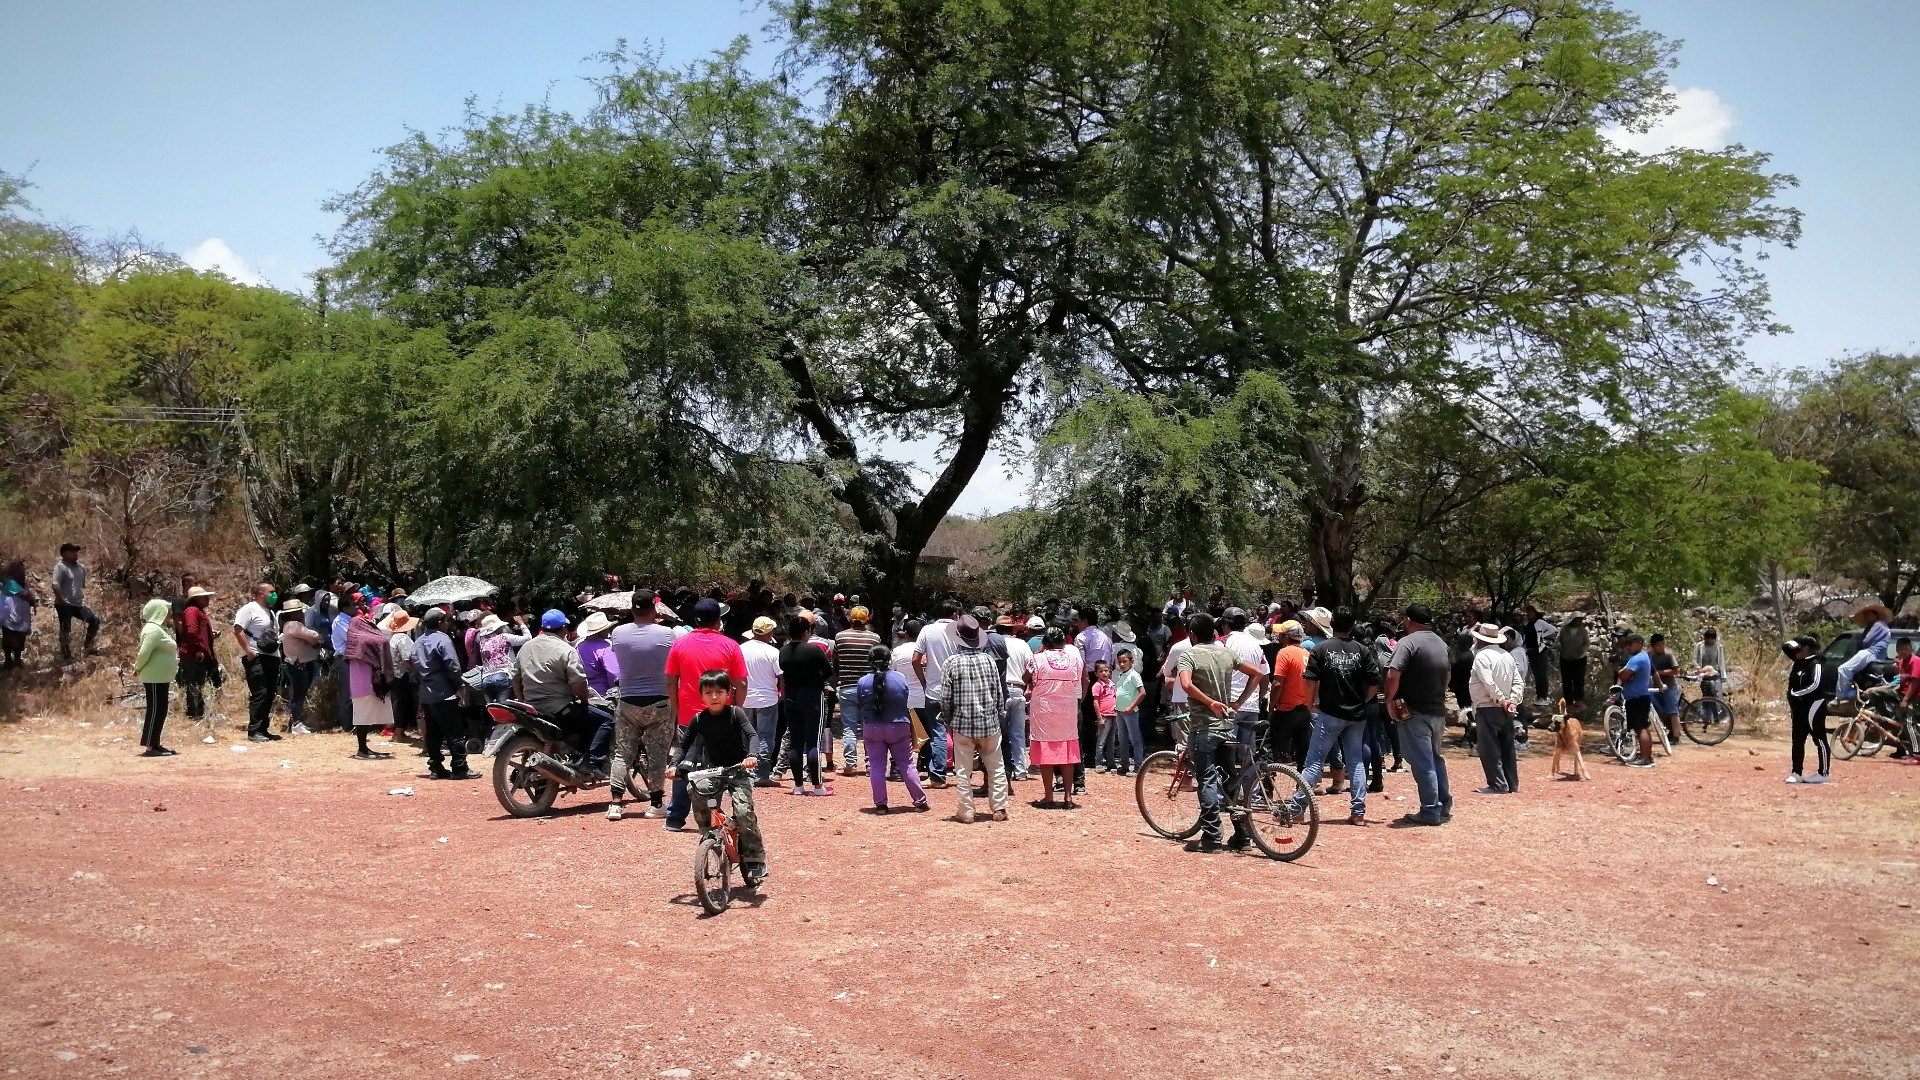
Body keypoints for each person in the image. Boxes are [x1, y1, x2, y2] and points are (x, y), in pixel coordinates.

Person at [666, 670, 767, 882]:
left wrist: (752, 756)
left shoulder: (736, 713)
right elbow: (683, 745)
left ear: (728, 693)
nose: (714, 697)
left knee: (743, 810)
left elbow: (752, 735)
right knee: (694, 788)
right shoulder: (698, 719)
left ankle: (755, 858)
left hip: (738, 769)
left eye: (719, 692)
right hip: (713, 770)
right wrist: (674, 765)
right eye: (708, 692)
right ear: (701, 695)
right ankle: (708, 833)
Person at [1178, 612, 1266, 849]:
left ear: (1192, 635)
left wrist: (1209, 703)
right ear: (1214, 633)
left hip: (1204, 726)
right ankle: (1241, 835)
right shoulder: (1226, 652)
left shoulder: (1189, 655)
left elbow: (1186, 684)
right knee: (1229, 779)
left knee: (1206, 779)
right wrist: (1237, 703)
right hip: (1228, 726)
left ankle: (1211, 837)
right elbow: (1257, 673)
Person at [1288, 609, 1381, 827]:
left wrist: (1310, 703)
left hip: (1329, 714)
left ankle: (1297, 809)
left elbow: (1310, 680)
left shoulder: (1321, 648)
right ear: (1352, 625)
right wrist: (1363, 700)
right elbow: (1375, 681)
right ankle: (1358, 812)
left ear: (1332, 623)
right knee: (1356, 762)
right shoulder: (1362, 650)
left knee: (1313, 763)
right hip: (1356, 715)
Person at [661, 598, 748, 830]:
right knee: (716, 766)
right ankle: (711, 816)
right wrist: (735, 711)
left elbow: (671, 681)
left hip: (688, 715)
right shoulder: (730, 646)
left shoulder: (680, 645)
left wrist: (678, 709)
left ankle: (675, 818)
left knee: (683, 764)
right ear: (719, 621)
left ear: (696, 620)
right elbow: (741, 683)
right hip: (720, 715)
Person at [606, 596, 678, 820]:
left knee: (623, 752)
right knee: (657, 753)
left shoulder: (618, 633)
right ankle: (655, 804)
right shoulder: (667, 634)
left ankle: (616, 803)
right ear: (654, 608)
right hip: (660, 699)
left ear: (631, 609)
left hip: (627, 698)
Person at [1384, 604, 1454, 826]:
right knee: (1435, 758)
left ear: (1408, 620)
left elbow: (1393, 674)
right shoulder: (1440, 643)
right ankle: (1443, 803)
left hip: (1414, 712)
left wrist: (1388, 701)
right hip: (1437, 711)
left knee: (1422, 761)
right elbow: (1448, 677)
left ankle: (1430, 810)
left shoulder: (1408, 642)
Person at [943, 615, 1010, 823]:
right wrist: (999, 714)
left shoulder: (951, 663)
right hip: (989, 723)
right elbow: (998, 692)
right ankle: (999, 808)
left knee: (963, 770)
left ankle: (966, 812)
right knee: (996, 766)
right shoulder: (989, 660)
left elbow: (946, 697)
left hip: (962, 724)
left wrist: (947, 718)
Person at [853, 644, 929, 812]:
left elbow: (860, 703)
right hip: (899, 726)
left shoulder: (863, 681)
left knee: (876, 766)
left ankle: (881, 805)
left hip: (872, 728)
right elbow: (905, 698)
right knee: (907, 764)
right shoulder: (900, 678)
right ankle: (920, 801)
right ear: (889, 661)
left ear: (870, 661)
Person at [412, 608, 476, 780]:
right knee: (454, 731)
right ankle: (459, 768)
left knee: (433, 733)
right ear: (441, 623)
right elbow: (453, 666)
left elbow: (414, 668)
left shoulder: (418, 642)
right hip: (444, 693)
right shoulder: (443, 639)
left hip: (426, 695)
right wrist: (458, 686)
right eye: (446, 621)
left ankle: (436, 768)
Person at [1025, 626, 1084, 808]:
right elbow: (1077, 680)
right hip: (1067, 708)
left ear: (1045, 642)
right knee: (1067, 752)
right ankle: (1068, 796)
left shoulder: (1038, 659)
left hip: (1044, 710)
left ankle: (1049, 796)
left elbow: (1027, 677)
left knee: (1045, 751)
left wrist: (1038, 653)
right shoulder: (1073, 658)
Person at [778, 615, 835, 797]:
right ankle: (818, 787)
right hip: (812, 696)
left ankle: (798, 786)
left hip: (790, 697)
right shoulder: (813, 650)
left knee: (796, 741)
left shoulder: (783, 651)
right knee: (813, 742)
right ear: (806, 632)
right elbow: (828, 671)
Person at [912, 600, 962, 786]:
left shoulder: (927, 630)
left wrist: (924, 681)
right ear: (954, 614)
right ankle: (963, 773)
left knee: (938, 732)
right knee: (961, 732)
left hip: (934, 690)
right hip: (959, 689)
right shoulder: (959, 629)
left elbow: (916, 659)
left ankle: (938, 775)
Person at [1469, 622, 1522, 791]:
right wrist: (1512, 700)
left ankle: (1498, 784)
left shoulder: (1482, 657)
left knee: (1489, 747)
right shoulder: (1507, 656)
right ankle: (1511, 783)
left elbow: (1488, 681)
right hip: (1505, 708)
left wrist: (1500, 699)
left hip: (1487, 706)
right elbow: (1518, 682)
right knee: (1507, 746)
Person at [831, 606, 883, 777]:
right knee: (869, 725)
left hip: (846, 686)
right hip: (868, 686)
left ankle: (850, 763)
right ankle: (870, 765)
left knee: (849, 727)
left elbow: (837, 658)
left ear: (850, 619)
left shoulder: (840, 636)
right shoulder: (874, 638)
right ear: (868, 619)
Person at [342, 594, 394, 760]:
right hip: (361, 679)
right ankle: (362, 750)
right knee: (362, 715)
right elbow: (379, 641)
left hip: (369, 676)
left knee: (367, 714)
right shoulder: (356, 629)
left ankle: (365, 749)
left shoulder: (362, 629)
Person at [1069, 605, 1113, 797]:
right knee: (1103, 716)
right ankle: (1099, 756)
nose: (1077, 625)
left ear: (1085, 621)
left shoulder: (1081, 638)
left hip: (1088, 677)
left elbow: (1079, 662)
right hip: (1106, 677)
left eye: (1078, 621)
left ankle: (1087, 754)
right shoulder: (1106, 637)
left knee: (1086, 717)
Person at [739, 616, 785, 788]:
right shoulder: (773, 652)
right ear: (769, 632)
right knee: (766, 738)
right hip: (768, 699)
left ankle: (748, 772)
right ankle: (762, 774)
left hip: (745, 699)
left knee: (748, 737)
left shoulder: (740, 649)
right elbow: (781, 677)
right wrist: (782, 696)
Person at [231, 583, 281, 742]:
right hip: (256, 656)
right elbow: (238, 629)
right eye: (271, 592)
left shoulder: (271, 613)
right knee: (260, 693)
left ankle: (263, 729)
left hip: (272, 656)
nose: (275, 595)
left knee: (270, 693)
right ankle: (254, 731)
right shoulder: (249, 609)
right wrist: (248, 650)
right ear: (261, 593)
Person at [1783, 634, 1834, 784]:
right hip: (1798, 708)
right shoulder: (1799, 662)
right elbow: (1785, 647)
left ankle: (1823, 773)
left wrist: (1795, 693)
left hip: (1813, 706)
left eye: (1798, 648)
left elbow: (1815, 684)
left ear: (1806, 649)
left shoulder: (1816, 663)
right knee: (1797, 740)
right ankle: (1796, 772)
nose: (1795, 652)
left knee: (1819, 739)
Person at [133, 598, 178, 756]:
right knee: (155, 710)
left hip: (161, 676)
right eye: (167, 612)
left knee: (161, 710)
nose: (169, 615)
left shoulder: (160, 629)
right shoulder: (152, 629)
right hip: (153, 677)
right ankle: (150, 746)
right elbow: (144, 653)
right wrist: (136, 668)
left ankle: (155, 743)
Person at [1267, 620, 1314, 766]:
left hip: (1286, 709)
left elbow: (1277, 683)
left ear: (1286, 636)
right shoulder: (1306, 653)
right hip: (1304, 709)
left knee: (1270, 749)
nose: (1278, 636)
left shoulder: (1284, 653)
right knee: (1302, 752)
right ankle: (1304, 785)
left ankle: (1267, 786)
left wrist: (1271, 706)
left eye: (1281, 634)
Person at [176, 586, 220, 726]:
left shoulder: (197, 611)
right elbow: (191, 631)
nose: (208, 599)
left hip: (202, 654)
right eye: (204, 597)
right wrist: (198, 649)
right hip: (195, 656)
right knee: (195, 686)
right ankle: (195, 715)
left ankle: (199, 713)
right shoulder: (192, 611)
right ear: (196, 599)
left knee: (199, 685)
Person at [998, 615, 1034, 781]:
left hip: (999, 690)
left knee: (999, 733)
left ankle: (1002, 769)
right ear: (1012, 629)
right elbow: (1031, 667)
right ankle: (1020, 770)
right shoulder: (1021, 644)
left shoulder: (994, 643)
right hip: (1018, 689)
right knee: (1018, 733)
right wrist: (1024, 682)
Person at [278, 601, 322, 732]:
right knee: (299, 694)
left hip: (299, 662)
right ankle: (296, 723)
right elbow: (313, 636)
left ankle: (296, 722)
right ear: (292, 613)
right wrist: (315, 637)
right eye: (298, 611)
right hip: (299, 663)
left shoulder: (288, 625)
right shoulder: (294, 625)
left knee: (299, 694)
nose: (301, 613)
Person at [1615, 632, 1658, 768]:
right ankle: (1646, 756)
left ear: (1639, 643)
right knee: (1642, 727)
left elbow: (1625, 675)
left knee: (1641, 728)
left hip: (1637, 697)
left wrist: (1621, 672)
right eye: (1627, 644)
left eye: (1630, 644)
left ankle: (1645, 758)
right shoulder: (1643, 657)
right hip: (1640, 697)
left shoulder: (1637, 659)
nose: (1628, 647)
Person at [1834, 604, 1892, 705]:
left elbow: (1866, 641)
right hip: (1875, 654)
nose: (1867, 617)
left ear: (1876, 615)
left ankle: (1844, 695)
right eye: (1866, 615)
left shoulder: (1878, 624)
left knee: (1844, 669)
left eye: (1869, 614)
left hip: (1871, 652)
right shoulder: (1874, 626)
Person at [52, 543, 100, 660]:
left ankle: (88, 647)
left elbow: (81, 586)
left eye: (76, 551)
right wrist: (62, 600)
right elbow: (55, 584)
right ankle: (66, 655)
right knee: (65, 629)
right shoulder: (60, 567)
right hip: (64, 604)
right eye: (72, 551)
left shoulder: (81, 568)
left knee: (95, 621)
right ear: (65, 553)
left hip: (78, 604)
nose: (75, 554)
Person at [381, 608, 420, 738]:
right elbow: (408, 658)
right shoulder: (403, 638)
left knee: (398, 701)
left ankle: (398, 730)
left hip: (393, 674)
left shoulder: (391, 638)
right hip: (403, 675)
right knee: (403, 702)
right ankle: (399, 731)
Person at [1110, 648, 1145, 776]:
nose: (1122, 664)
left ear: (1131, 661)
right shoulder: (1121, 675)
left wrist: (1131, 706)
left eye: (1125, 661)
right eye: (1120, 662)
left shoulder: (1134, 675)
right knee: (1122, 739)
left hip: (1130, 712)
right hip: (1120, 711)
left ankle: (1138, 766)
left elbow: (1142, 693)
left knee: (1135, 739)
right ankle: (1124, 765)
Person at [0, 559, 38, 668]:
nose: (23, 571)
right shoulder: (10, 582)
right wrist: (28, 589)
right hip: (9, 617)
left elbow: (29, 598)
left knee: (20, 638)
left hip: (20, 616)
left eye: (24, 569)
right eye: (21, 569)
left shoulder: (18, 582)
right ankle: (8, 662)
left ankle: (17, 660)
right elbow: (25, 595)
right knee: (9, 639)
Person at [575, 611, 622, 698]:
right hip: (604, 694)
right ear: (602, 631)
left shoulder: (579, 645)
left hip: (586, 691)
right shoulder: (605, 647)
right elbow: (614, 674)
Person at [1648, 633, 1683, 746]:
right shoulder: (1649, 656)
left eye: (1663, 645)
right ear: (1653, 646)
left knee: (1673, 711)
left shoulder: (1668, 655)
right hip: (1654, 688)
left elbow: (1675, 671)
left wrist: (1659, 673)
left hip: (1669, 686)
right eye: (1658, 645)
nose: (1661, 647)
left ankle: (1676, 736)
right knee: (1660, 712)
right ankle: (1671, 731)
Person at [1089, 659, 1120, 771]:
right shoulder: (1097, 685)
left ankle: (1111, 763)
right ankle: (1098, 762)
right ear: (1096, 673)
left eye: (1106, 670)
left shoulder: (1112, 684)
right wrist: (1099, 717)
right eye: (1101, 671)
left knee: (1111, 740)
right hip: (1104, 715)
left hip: (1114, 714)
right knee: (1101, 740)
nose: (1104, 673)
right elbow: (1096, 702)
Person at [1559, 613, 1590, 705]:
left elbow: (1587, 643)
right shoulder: (1564, 630)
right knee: (1566, 680)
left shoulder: (1583, 631)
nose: (1580, 621)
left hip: (1580, 659)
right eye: (1578, 619)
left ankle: (1578, 701)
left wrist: (1582, 649)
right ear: (1573, 619)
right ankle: (1568, 701)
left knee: (1579, 680)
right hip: (1565, 658)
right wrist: (1561, 648)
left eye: (1581, 619)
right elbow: (1558, 640)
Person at [1693, 627, 1726, 699]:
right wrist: (1698, 668)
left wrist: (1723, 676)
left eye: (1710, 639)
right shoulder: (1699, 646)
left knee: (1717, 695)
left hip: (1715, 674)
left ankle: (1719, 709)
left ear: (1714, 639)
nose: (1708, 641)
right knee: (1707, 695)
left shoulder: (1719, 647)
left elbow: (1721, 661)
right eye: (1706, 639)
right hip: (1704, 674)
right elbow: (1694, 659)